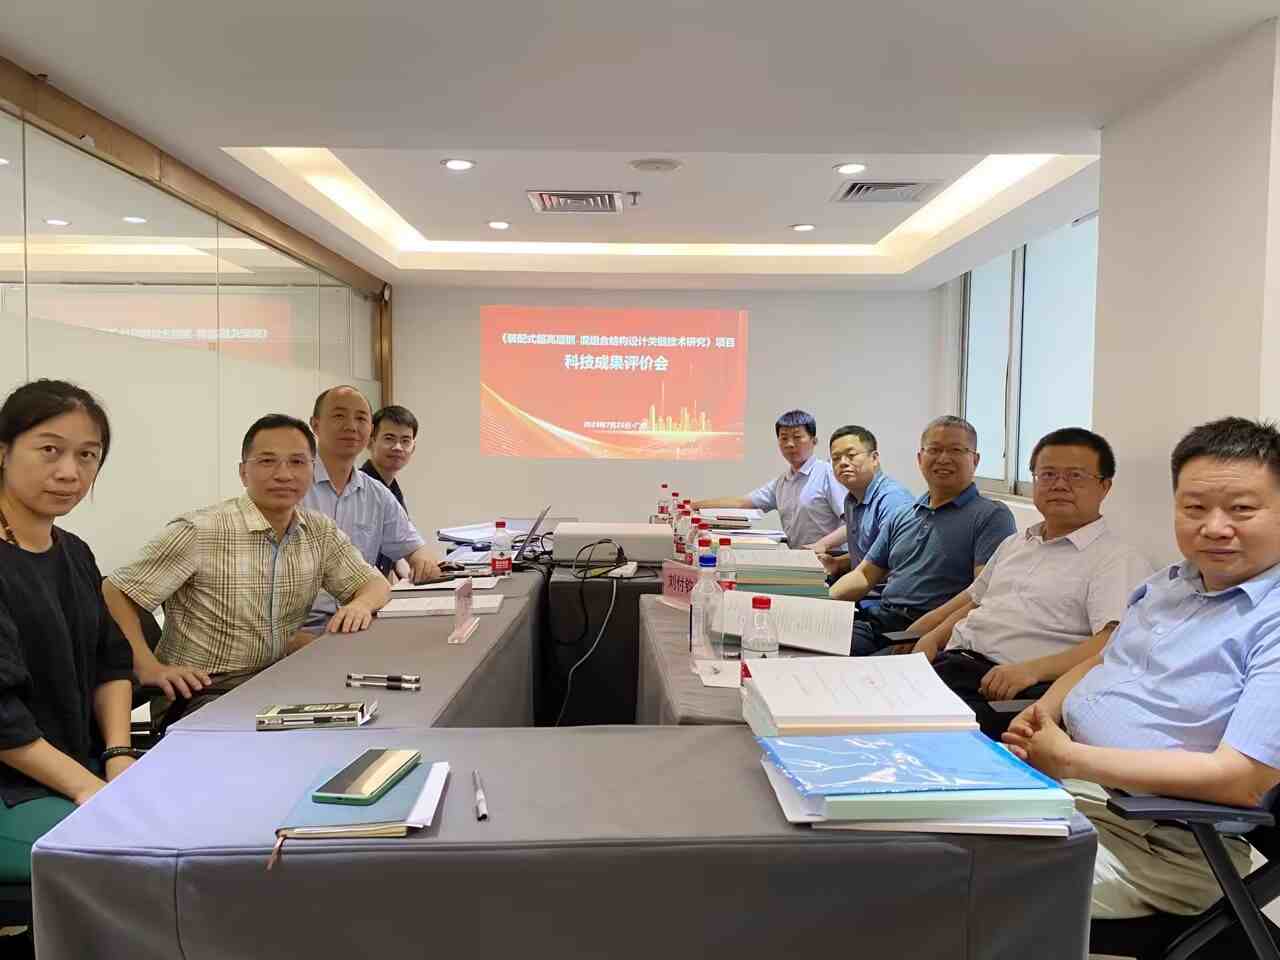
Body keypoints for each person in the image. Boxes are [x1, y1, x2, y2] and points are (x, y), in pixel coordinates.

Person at [1005, 417, 1280, 919]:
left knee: (945, 874)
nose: (1215, 527)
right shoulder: (1170, 584)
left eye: (1241, 509)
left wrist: (1071, 760)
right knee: (902, 829)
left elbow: (1243, 780)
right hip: (1079, 794)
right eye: (1194, 508)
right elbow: (1104, 659)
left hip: (1168, 846)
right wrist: (1043, 710)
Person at [103, 414, 389, 722]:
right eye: (267, 461)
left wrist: (360, 605)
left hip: (276, 682)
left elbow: (375, 584)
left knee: (372, 715)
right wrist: (147, 666)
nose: (283, 474)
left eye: (297, 462)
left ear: (312, 469)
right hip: (205, 695)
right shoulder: (201, 530)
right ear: (243, 472)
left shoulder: (319, 531)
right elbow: (115, 590)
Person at [906, 428, 1151, 737]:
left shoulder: (1116, 559)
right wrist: (932, 637)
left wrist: (1032, 671)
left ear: (1104, 486)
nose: (1059, 485)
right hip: (950, 665)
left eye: (1075, 476)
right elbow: (975, 600)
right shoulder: (1016, 543)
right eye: (1047, 474)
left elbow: (1110, 642)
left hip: (1006, 690)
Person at [0, 380, 135, 893]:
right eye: (50, 450)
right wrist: (89, 789)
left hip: (74, 766)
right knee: (136, 857)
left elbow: (111, 662)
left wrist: (118, 754)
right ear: (3, 451)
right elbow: (3, 719)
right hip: (12, 788)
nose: (69, 472)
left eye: (87, 455)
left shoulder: (73, 550)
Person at [830, 416, 1015, 655]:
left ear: (975, 460)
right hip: (881, 621)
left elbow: (982, 594)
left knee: (849, 671)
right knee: (807, 647)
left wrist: (927, 630)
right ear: (920, 458)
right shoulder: (904, 514)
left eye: (956, 450)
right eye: (934, 450)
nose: (943, 458)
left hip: (934, 633)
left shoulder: (991, 516)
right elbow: (864, 575)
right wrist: (820, 602)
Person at [304, 386, 441, 623]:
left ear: (369, 430)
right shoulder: (293, 486)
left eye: (360, 418)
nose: (351, 426)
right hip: (302, 626)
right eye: (339, 415)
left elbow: (415, 548)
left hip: (359, 618)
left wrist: (423, 563)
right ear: (315, 425)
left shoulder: (377, 493)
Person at [693, 410, 845, 547]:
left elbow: (851, 524)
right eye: (784, 438)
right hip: (800, 559)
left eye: (797, 437)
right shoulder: (782, 482)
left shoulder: (828, 473)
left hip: (833, 558)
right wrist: (692, 506)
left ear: (814, 441)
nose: (790, 444)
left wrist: (820, 546)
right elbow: (742, 503)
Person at [805, 425, 914, 609]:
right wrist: (837, 563)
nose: (843, 463)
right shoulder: (851, 500)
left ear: (874, 458)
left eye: (851, 455)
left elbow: (887, 565)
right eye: (836, 458)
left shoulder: (892, 500)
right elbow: (873, 552)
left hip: (885, 602)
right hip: (863, 594)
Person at [360, 404, 420, 576]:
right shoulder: (360, 489)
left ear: (413, 447)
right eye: (389, 438)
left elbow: (398, 550)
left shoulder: (393, 490)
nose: (398, 447)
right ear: (370, 441)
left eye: (405, 441)